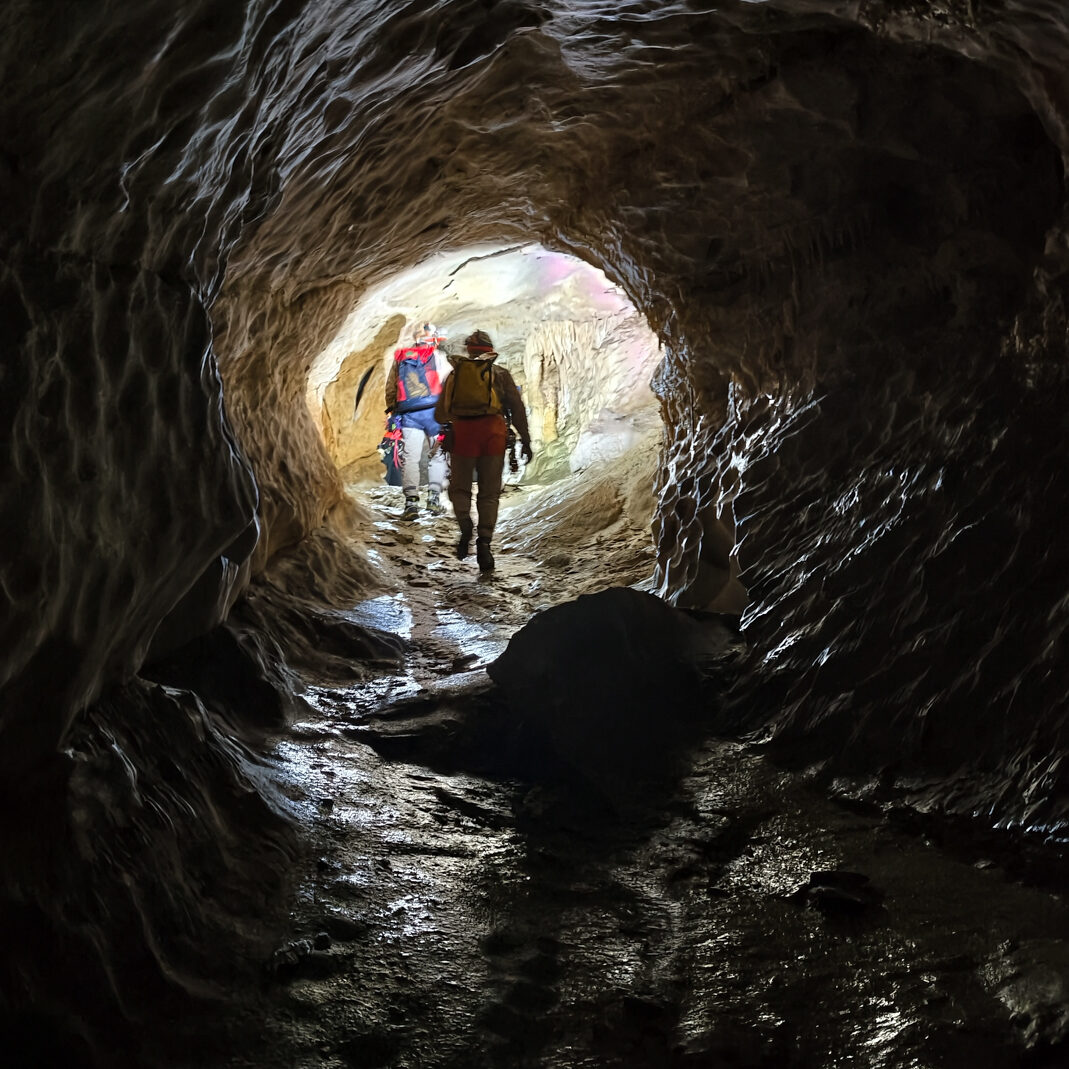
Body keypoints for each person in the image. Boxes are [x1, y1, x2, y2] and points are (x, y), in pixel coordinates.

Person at [434, 330, 532, 572]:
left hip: (463, 436)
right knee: (489, 493)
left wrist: (458, 417)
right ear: (490, 352)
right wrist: (526, 440)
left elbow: (440, 414)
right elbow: (517, 410)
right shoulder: (500, 374)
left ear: (469, 351)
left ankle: (466, 525)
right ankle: (484, 543)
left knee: (459, 488)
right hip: (493, 436)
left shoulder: (455, 375)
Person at [385, 322, 450, 520]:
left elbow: (391, 387)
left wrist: (393, 410)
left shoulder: (401, 358)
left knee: (410, 458)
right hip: (434, 414)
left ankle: (411, 503)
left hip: (409, 414)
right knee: (438, 456)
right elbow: (448, 383)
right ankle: (433, 499)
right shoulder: (438, 357)